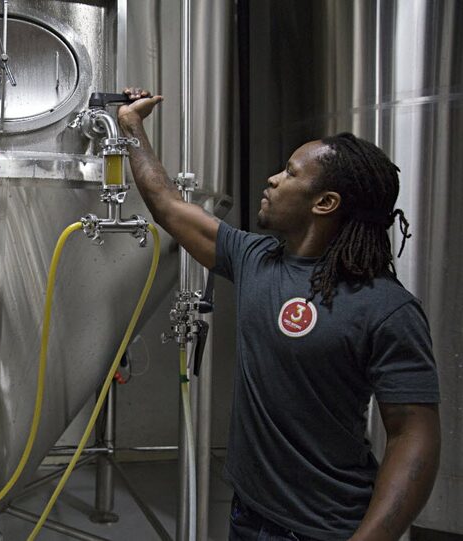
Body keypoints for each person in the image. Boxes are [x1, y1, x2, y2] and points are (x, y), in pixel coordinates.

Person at [117, 89, 441, 540]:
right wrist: (131, 126)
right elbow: (169, 205)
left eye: (289, 173)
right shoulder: (256, 258)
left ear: (324, 203)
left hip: (325, 527)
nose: (271, 179)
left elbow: (412, 436)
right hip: (248, 514)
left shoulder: (386, 308)